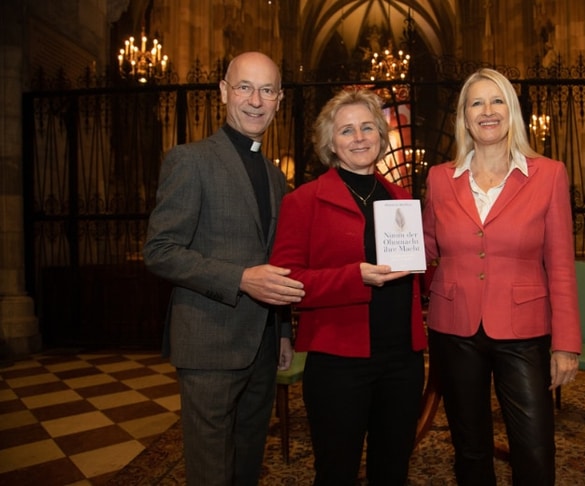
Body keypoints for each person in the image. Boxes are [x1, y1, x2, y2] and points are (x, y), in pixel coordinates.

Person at [142, 51, 305, 486]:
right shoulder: (190, 160)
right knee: (211, 471)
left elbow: (279, 262)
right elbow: (159, 249)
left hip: (264, 346)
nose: (256, 100)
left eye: (267, 90)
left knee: (247, 464)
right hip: (210, 344)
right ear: (223, 92)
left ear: (279, 99)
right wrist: (240, 278)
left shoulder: (274, 176)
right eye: (245, 87)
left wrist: (283, 330)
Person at [422, 68, 582, 485]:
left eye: (497, 101)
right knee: (469, 447)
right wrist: (383, 243)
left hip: (524, 329)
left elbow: (561, 263)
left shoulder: (549, 174)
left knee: (534, 447)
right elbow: (424, 249)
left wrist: (566, 343)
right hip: (454, 329)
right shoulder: (440, 178)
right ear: (464, 116)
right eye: (476, 102)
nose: (487, 111)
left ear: (511, 111)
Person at [270, 88, 427, 486]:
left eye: (367, 127)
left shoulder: (402, 200)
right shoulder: (304, 201)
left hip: (402, 360)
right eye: (346, 130)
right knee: (336, 472)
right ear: (330, 143)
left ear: (380, 135)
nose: (359, 137)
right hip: (339, 361)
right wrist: (353, 276)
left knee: (392, 469)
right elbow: (286, 281)